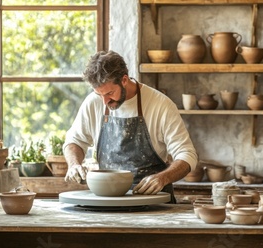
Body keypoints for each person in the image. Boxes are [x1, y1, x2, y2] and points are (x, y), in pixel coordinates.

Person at [63, 50, 198, 202]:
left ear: (124, 80)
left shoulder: (161, 105)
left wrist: (162, 178)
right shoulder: (93, 102)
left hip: (153, 201)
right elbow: (74, 141)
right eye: (99, 95)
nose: (104, 101)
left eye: (109, 93)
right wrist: (74, 164)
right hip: (108, 200)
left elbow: (187, 155)